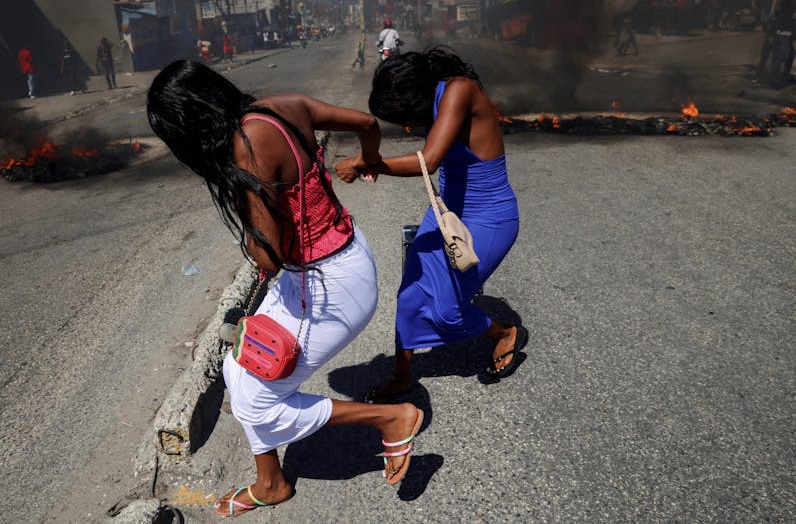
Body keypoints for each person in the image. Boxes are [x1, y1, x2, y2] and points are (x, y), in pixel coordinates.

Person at [146, 60, 425, 516]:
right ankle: (270, 481)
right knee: (239, 368)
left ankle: (391, 419)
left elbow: (268, 257)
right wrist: (368, 160)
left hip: (330, 285)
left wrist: (242, 194)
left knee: (257, 403)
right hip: (338, 260)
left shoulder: (246, 151)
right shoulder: (279, 106)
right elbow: (367, 123)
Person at [335, 47, 524, 403]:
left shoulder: (459, 89)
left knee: (445, 310)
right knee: (409, 296)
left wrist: (366, 163)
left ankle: (502, 332)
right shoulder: (439, 100)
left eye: (404, 117)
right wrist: (374, 163)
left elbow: (430, 160)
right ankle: (403, 377)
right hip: (446, 212)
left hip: (489, 217)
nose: (407, 125)